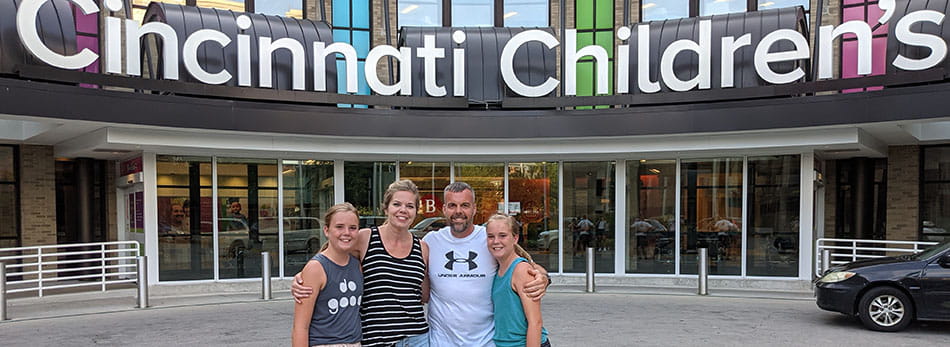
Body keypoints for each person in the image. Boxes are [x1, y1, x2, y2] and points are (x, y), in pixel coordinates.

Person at [294, 180, 430, 347]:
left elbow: (423, 295)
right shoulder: (365, 238)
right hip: (375, 339)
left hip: (417, 338)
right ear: (386, 208)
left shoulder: (422, 248)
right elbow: (331, 258)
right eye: (396, 204)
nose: (403, 210)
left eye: (410, 206)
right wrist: (303, 277)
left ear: (416, 211)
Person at [423, 182, 549, 346]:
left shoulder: (491, 238)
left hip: (485, 342)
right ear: (444, 209)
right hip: (441, 341)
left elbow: (524, 263)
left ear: (474, 209)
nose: (458, 211)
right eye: (452, 205)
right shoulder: (430, 242)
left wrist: (543, 277)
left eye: (465, 205)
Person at [292, 203, 363, 347]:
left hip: (355, 342)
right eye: (339, 227)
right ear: (326, 230)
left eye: (352, 228)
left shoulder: (357, 264)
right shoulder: (316, 268)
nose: (346, 232)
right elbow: (300, 327)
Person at [486, 214, 551, 347]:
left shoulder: (521, 270)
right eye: (491, 236)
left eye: (502, 235)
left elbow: (535, 322)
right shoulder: (498, 267)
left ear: (515, 238)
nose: (496, 241)